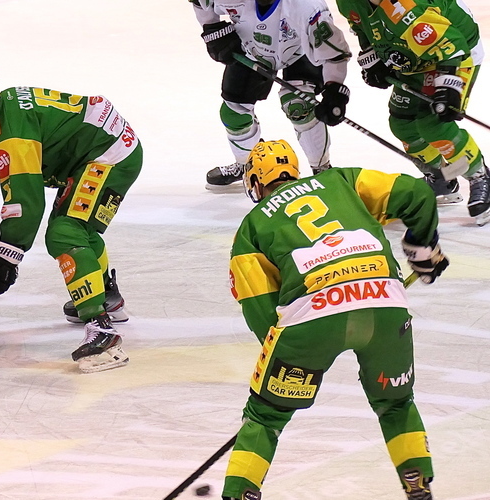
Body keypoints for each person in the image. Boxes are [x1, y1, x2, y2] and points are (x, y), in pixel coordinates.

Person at [222, 140, 449, 500]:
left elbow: (260, 309)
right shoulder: (343, 181)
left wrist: (286, 369)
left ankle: (239, 492)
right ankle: (417, 480)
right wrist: (422, 250)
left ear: (255, 182)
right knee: (395, 403)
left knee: (266, 418)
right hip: (384, 304)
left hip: (312, 318)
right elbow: (418, 192)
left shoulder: (251, 227)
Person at [0, 66, 141, 373]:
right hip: (102, 147)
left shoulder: (12, 138)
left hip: (107, 155)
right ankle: (105, 295)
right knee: (77, 226)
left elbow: (25, 203)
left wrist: (5, 254)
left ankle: (101, 329)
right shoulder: (9, 107)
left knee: (65, 232)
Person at [334, 0, 490, 225]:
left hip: (454, 54)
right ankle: (444, 177)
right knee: (403, 125)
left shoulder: (405, 9)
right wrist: (373, 57)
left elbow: (452, 45)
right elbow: (360, 25)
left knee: (435, 125)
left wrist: (448, 86)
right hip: (414, 54)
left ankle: (479, 176)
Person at [192, 0, 353, 188]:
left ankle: (322, 169)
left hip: (300, 51)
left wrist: (335, 89)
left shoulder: (308, 7)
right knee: (233, 113)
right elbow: (201, 2)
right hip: (251, 48)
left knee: (298, 105)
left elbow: (334, 54)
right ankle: (247, 165)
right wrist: (212, 27)